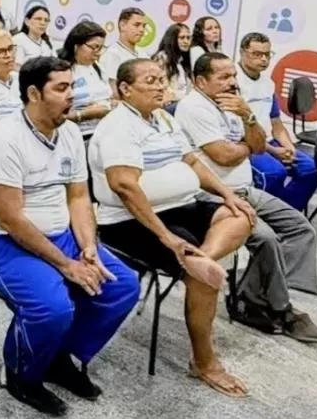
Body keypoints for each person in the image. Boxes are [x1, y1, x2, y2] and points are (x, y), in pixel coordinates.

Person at [0, 56, 139, 416]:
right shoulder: (4, 139)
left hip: (60, 233)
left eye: (71, 86)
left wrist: (88, 247)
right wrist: (66, 265)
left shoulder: (70, 133)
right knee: (52, 308)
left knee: (122, 286)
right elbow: (10, 219)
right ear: (34, 94)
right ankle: (21, 374)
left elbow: (78, 197)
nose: (71, 95)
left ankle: (58, 355)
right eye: (61, 88)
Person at [90, 58, 253, 398]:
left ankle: (202, 259)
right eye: (151, 81)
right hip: (131, 221)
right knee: (204, 278)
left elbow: (192, 161)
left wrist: (227, 195)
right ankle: (204, 362)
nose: (161, 86)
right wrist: (166, 237)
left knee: (240, 215)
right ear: (125, 89)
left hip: (181, 206)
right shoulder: (119, 126)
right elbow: (125, 187)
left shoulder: (163, 118)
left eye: (162, 79)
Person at [176, 53, 317, 340]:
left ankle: (252, 296)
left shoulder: (235, 104)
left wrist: (247, 116)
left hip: (246, 189)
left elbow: (258, 145)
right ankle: (280, 308)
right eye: (223, 77)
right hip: (212, 195)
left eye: (233, 75)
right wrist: (247, 145)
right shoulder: (193, 107)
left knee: (301, 229)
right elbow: (224, 155)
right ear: (200, 81)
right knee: (268, 239)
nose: (232, 82)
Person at [237, 32, 317, 213]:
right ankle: (271, 217)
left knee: (311, 169)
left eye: (267, 54)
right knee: (274, 173)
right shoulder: (233, 81)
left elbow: (276, 122)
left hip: (270, 142)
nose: (263, 59)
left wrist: (289, 147)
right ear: (242, 53)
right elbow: (238, 130)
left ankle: (288, 215)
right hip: (248, 143)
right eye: (257, 54)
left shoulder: (268, 83)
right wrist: (274, 151)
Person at [59, 21, 112, 140]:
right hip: (75, 135)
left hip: (102, 133)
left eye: (101, 48)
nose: (98, 53)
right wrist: (85, 114)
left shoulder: (99, 68)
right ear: (76, 46)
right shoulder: (62, 71)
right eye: (94, 47)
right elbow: (52, 115)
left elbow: (108, 97)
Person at [99, 6, 148, 96]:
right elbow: (113, 91)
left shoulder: (144, 54)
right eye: (137, 25)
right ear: (122, 25)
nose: (142, 30)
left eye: (143, 26)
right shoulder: (112, 54)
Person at [155, 23, 193, 108]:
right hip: (169, 105)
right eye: (182, 38)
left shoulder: (183, 60)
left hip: (183, 104)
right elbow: (162, 87)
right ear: (172, 39)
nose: (186, 41)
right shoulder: (162, 57)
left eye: (188, 38)